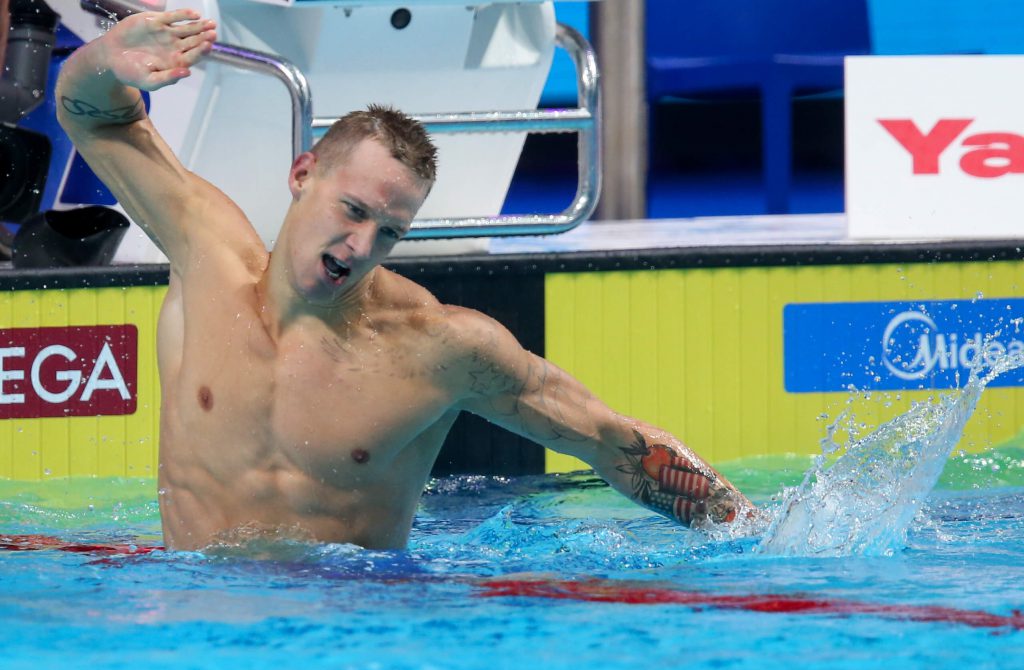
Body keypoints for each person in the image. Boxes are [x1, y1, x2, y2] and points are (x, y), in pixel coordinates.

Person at [55, 9, 756, 551]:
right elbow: (91, 114)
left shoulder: (434, 348)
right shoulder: (206, 254)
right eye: (352, 211)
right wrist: (101, 59)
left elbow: (607, 440)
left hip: (355, 628)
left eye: (388, 232)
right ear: (303, 175)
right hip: (191, 613)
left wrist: (751, 532)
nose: (359, 247)